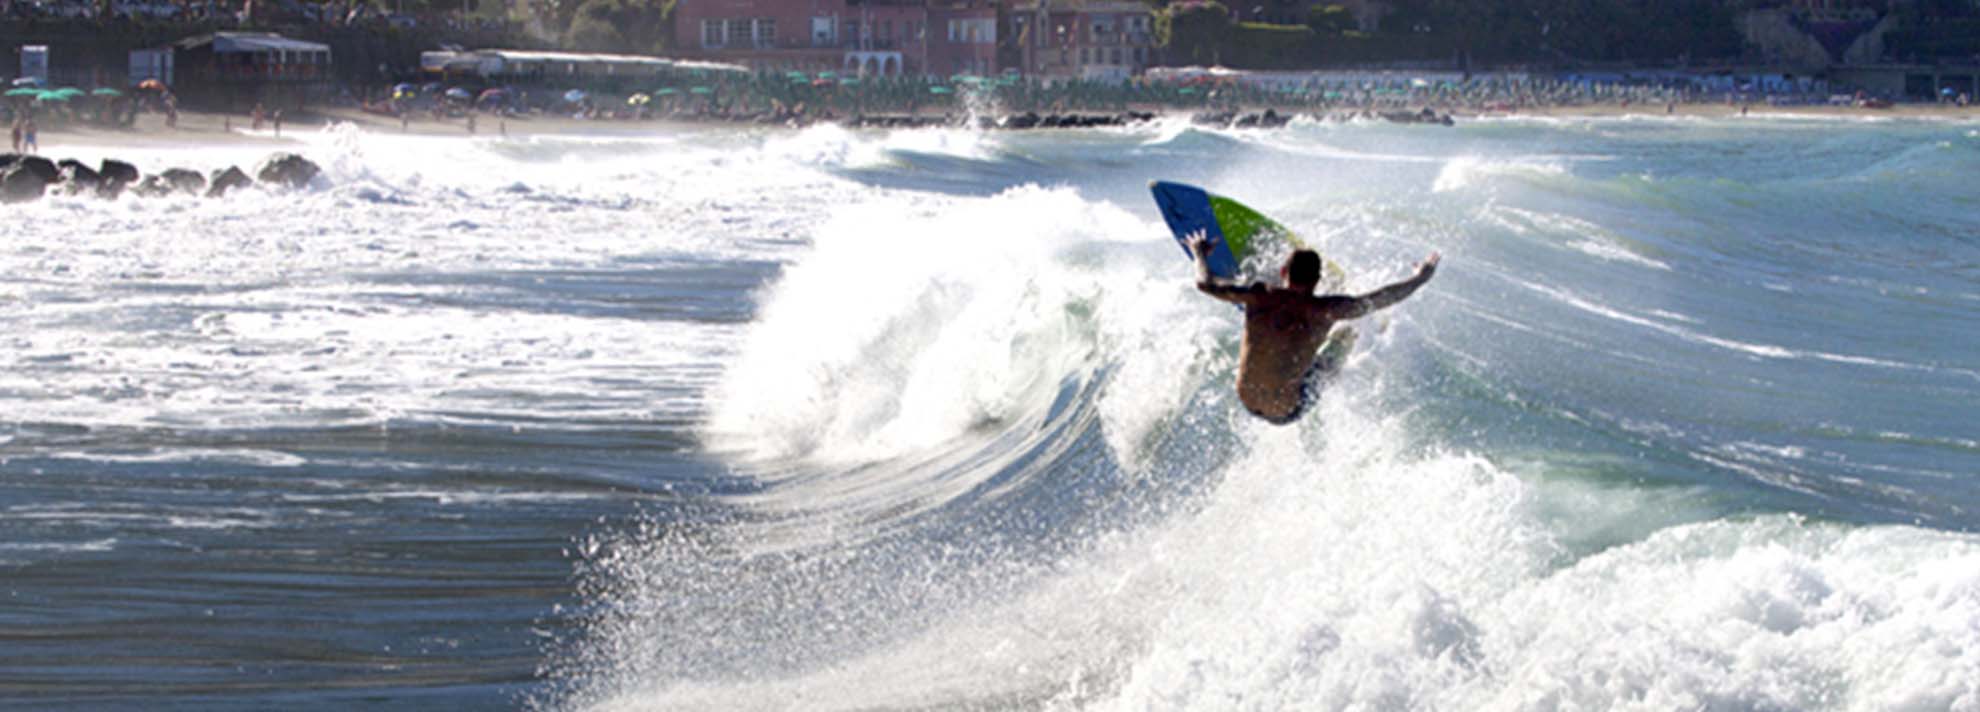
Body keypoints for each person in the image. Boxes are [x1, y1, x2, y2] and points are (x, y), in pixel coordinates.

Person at [1189, 230, 1439, 425]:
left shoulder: (1258, 295)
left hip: (1247, 400)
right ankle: (1333, 359)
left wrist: (1200, 253)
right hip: (1286, 411)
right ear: (1317, 280)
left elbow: (1204, 283)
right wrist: (1420, 278)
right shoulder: (1329, 309)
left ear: (1283, 271)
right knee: (1346, 335)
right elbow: (1385, 297)